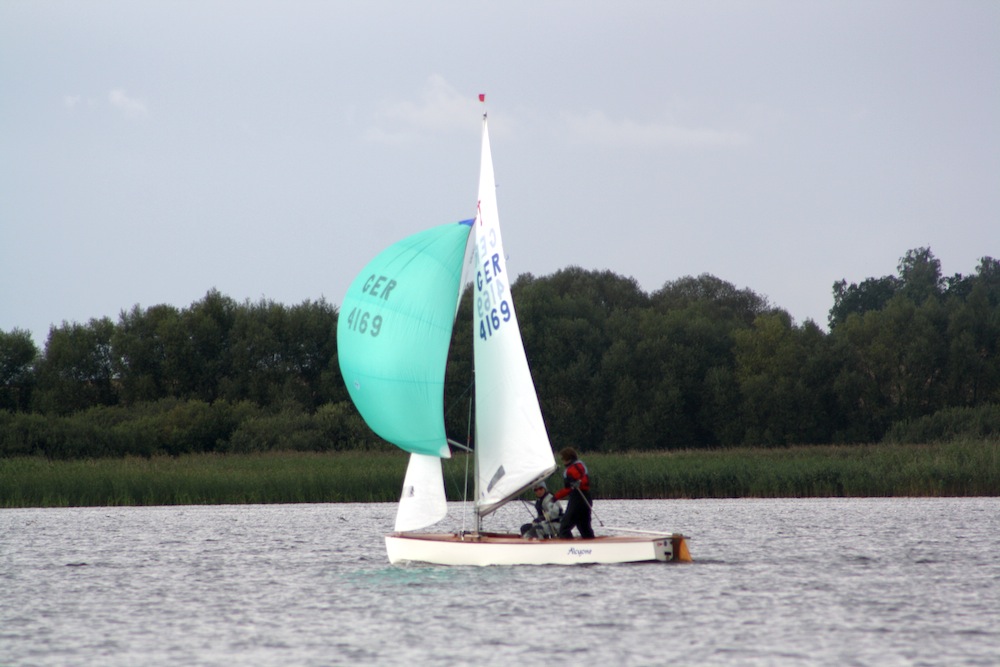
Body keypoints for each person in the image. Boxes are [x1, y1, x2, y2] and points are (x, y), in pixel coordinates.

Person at [554, 447, 594, 539]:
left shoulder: (573, 468)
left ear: (567, 458)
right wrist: (556, 497)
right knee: (584, 527)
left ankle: (568, 545)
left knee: (564, 527)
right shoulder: (580, 465)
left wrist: (555, 497)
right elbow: (573, 486)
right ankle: (590, 543)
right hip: (585, 498)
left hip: (578, 499)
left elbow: (571, 487)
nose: (562, 461)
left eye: (563, 458)